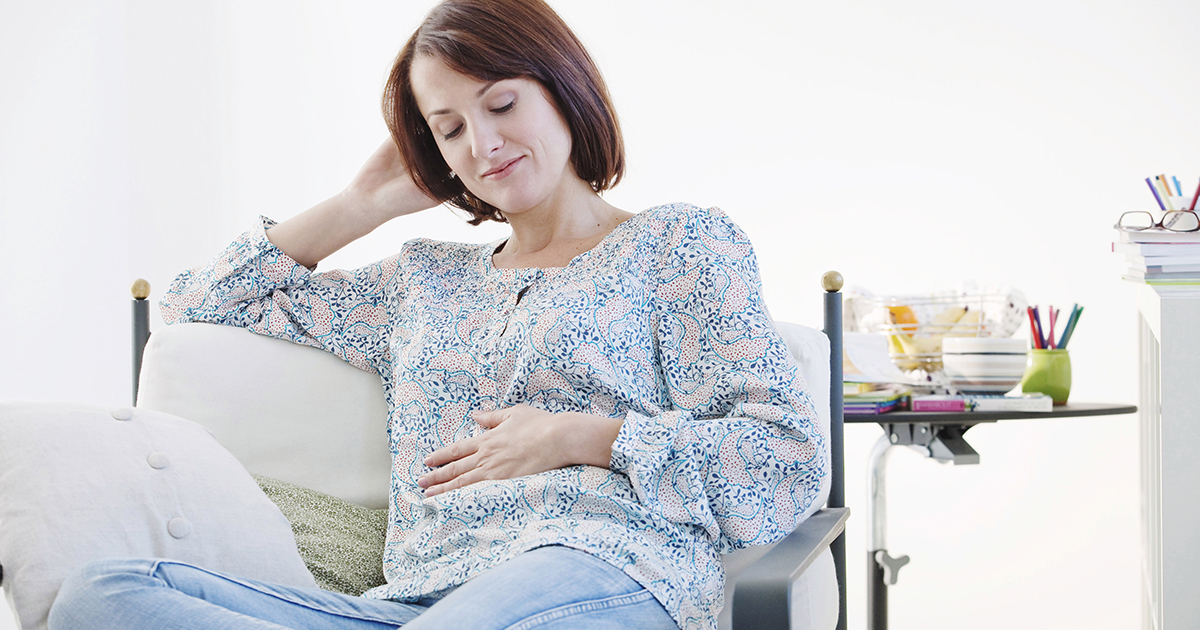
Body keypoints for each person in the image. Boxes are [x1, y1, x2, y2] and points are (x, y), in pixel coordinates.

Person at [48, 0, 827, 628]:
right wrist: (361, 204)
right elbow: (194, 306)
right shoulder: (420, 283)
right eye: (450, 129)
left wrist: (579, 437)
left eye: (501, 104)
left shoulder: (679, 244)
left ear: (563, 87)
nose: (482, 145)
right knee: (98, 597)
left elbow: (785, 461)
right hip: (415, 602)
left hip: (602, 563)